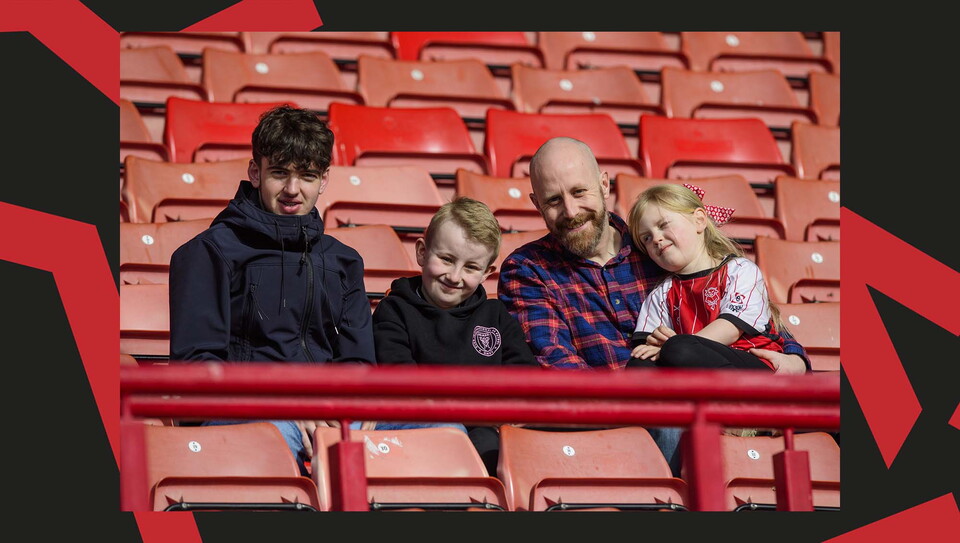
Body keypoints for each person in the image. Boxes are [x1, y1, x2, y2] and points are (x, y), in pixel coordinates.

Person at [497, 137, 809, 475]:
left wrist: (794, 359)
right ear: (536, 204)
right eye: (554, 200)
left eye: (579, 192)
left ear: (604, 184)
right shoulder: (528, 269)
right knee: (670, 418)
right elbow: (559, 367)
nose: (571, 212)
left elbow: (745, 304)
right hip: (623, 423)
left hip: (711, 395)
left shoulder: (654, 239)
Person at [168, 104, 376, 475]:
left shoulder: (345, 262)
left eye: (307, 176)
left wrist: (339, 409)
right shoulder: (209, 253)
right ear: (255, 172)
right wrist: (288, 408)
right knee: (281, 435)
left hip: (326, 417)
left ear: (324, 180)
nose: (292, 190)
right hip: (248, 416)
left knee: (441, 433)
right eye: (279, 174)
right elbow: (197, 369)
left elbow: (359, 365)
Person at [373, 197, 537, 473]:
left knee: (507, 448)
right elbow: (402, 383)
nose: (454, 276)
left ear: (487, 273)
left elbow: (526, 378)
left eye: (471, 267)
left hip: (488, 430)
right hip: (422, 432)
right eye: (446, 259)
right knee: (457, 437)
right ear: (423, 252)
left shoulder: (496, 316)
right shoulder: (394, 310)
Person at [627, 183, 787, 370]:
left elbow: (730, 329)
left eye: (663, 225)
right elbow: (646, 346)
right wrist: (655, 343)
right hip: (690, 365)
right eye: (646, 238)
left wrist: (672, 346)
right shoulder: (661, 294)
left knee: (678, 348)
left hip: (751, 362)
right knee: (639, 366)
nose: (656, 239)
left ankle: (746, 398)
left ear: (699, 220)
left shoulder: (739, 270)